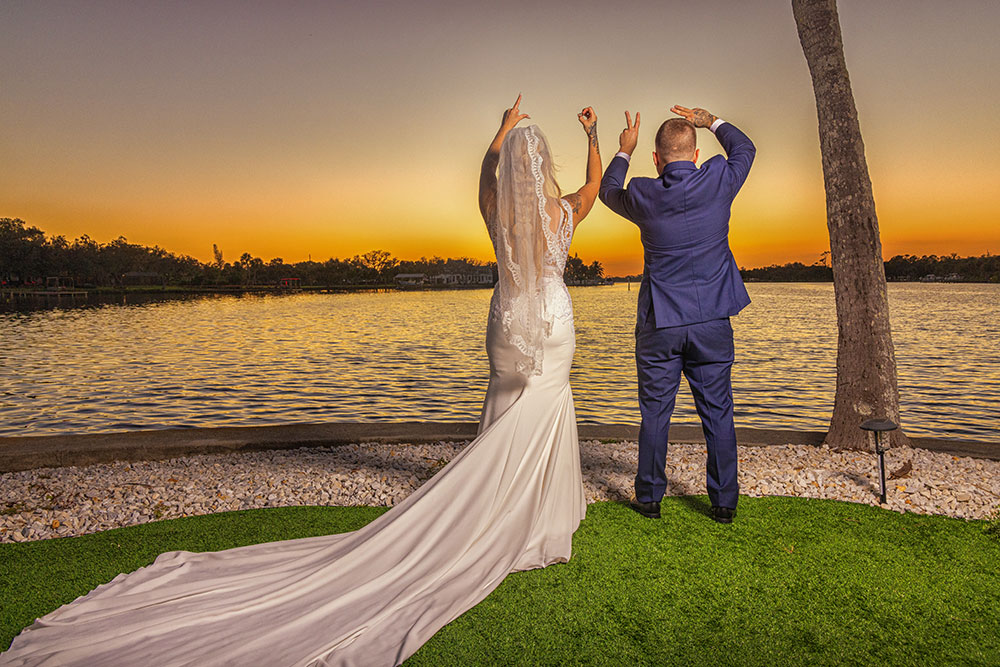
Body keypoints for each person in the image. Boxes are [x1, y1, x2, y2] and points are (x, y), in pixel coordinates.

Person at [0, 95, 602, 667]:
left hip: (506, 321)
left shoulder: (497, 210)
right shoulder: (562, 212)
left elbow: (486, 169)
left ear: (512, 170)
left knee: (503, 408)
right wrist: (598, 136)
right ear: (545, 168)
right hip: (550, 321)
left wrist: (501, 127)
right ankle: (534, 519)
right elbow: (595, 186)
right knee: (546, 406)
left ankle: (498, 506)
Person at [599, 105, 755, 524]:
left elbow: (607, 190)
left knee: (655, 412)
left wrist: (624, 150)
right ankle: (723, 502)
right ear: (697, 153)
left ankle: (649, 497)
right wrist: (714, 120)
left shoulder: (643, 194)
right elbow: (745, 148)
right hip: (711, 322)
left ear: (656, 157)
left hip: (660, 325)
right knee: (718, 411)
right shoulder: (719, 178)